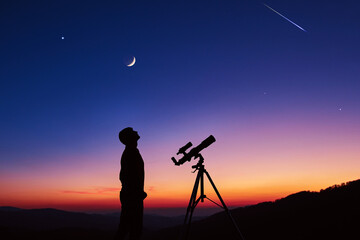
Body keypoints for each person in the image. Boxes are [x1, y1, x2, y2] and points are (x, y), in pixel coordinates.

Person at [115, 127, 147, 240]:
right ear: (129, 137)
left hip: (132, 196)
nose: (136, 131)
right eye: (133, 131)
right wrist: (136, 193)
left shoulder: (132, 151)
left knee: (129, 229)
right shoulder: (130, 152)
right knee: (131, 230)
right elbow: (124, 176)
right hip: (132, 197)